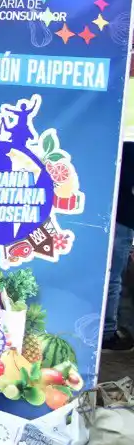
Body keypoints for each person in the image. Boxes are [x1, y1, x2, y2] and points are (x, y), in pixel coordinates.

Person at [105, 144, 134, 352]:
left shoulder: (115, 144)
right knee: (113, 278)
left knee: (107, 277)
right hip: (123, 219)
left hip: (104, 214)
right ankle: (107, 332)